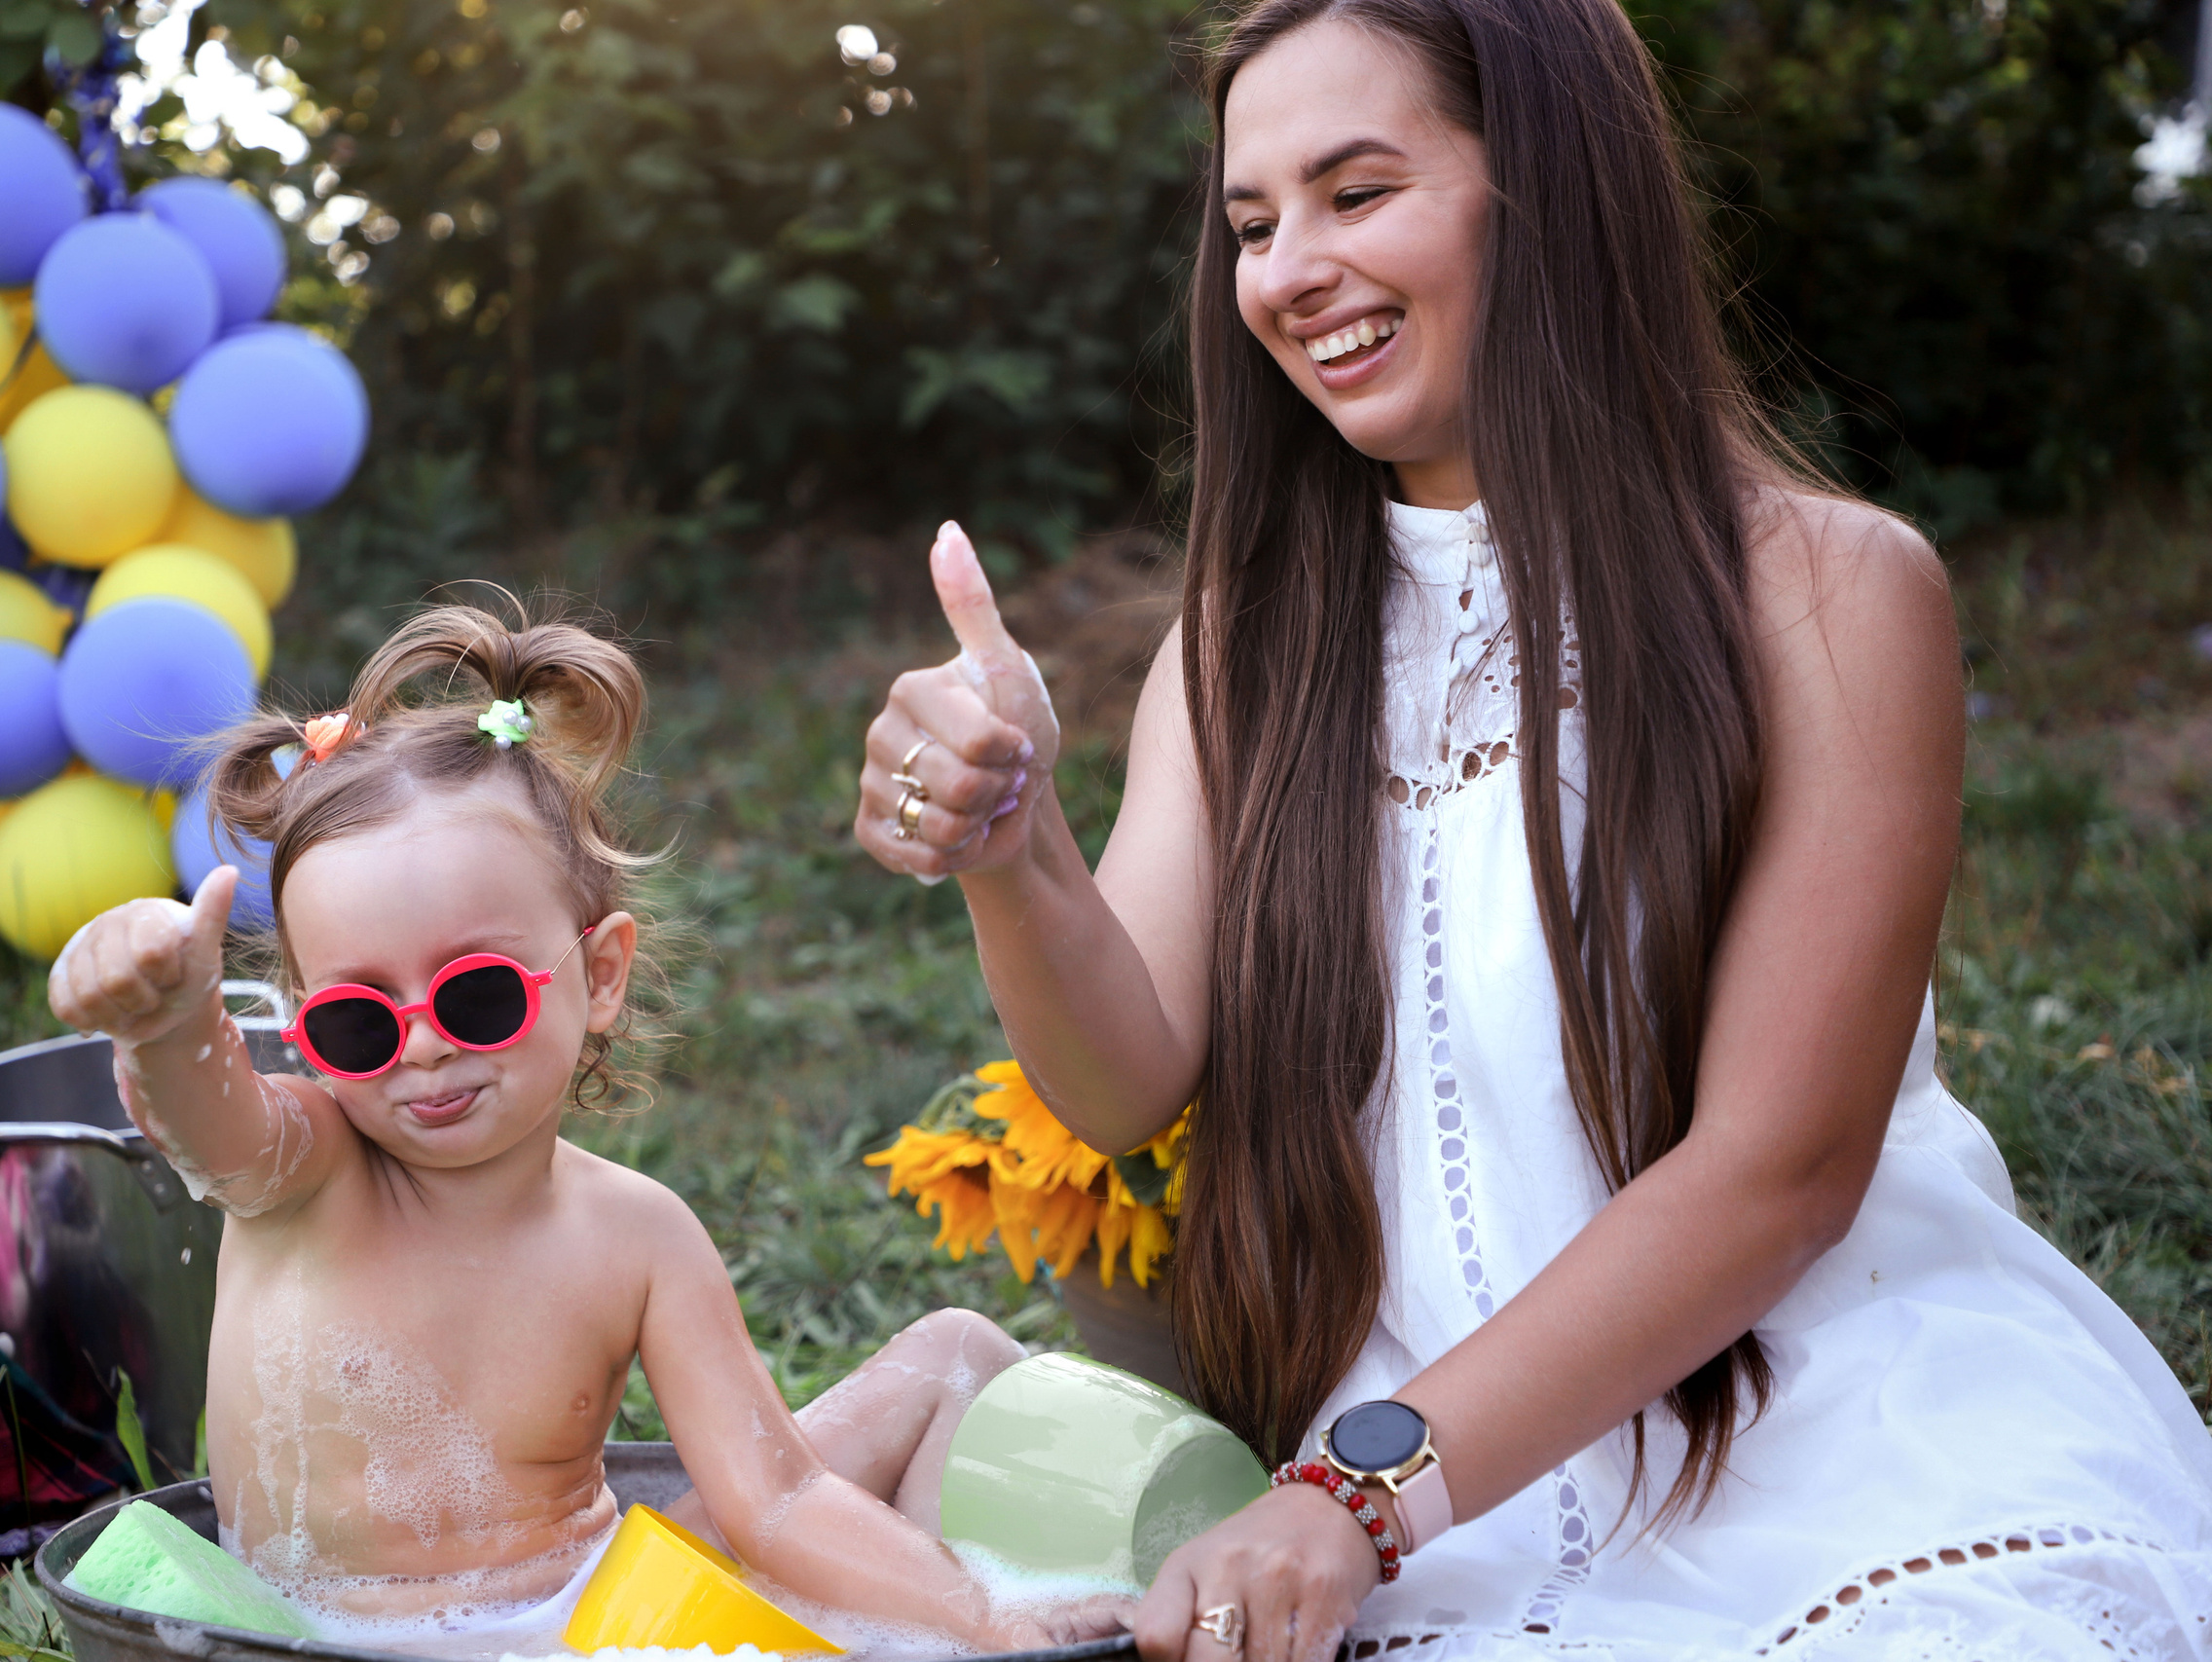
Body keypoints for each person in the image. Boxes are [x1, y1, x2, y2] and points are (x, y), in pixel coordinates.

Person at [854, 0, 2212, 1656]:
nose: (1288, 272)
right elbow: (1122, 1072)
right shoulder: (1241, 633)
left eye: (1358, 194)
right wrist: (1015, 852)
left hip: (1819, 1447)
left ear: (1548, 188)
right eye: (1254, 224)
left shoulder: (1830, 594)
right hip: (1430, 1532)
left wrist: (1361, 1492)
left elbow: (1775, 1170)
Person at [49, 601, 1116, 1649]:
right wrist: (167, 1023)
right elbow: (212, 1128)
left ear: (599, 974)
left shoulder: (638, 1236)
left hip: (581, 1631)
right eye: (357, 1023)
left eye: (476, 999)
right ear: (300, 1029)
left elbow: (775, 1501)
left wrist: (979, 1617)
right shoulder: (314, 1172)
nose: (419, 1048)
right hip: (320, 1636)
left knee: (956, 1356)